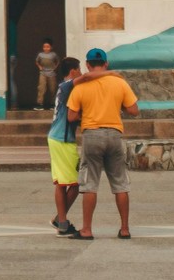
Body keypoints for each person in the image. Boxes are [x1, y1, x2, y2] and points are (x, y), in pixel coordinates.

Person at [64, 48, 138, 240]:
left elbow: (71, 116)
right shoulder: (119, 83)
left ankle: (87, 229)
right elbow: (133, 110)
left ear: (87, 64)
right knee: (120, 183)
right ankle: (124, 229)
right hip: (114, 135)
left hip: (91, 135)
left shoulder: (81, 86)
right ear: (106, 64)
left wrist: (86, 112)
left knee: (90, 184)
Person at [48, 55, 84, 235]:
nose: (82, 72)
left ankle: (60, 220)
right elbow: (85, 79)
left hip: (60, 138)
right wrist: (109, 74)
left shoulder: (66, 88)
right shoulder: (67, 85)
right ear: (73, 71)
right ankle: (61, 221)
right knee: (73, 183)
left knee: (64, 182)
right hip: (61, 139)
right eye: (80, 69)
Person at [36, 41, 60, 110]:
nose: (46, 48)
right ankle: (40, 104)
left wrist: (55, 67)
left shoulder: (53, 55)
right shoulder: (40, 55)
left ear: (51, 47)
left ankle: (53, 104)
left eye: (48, 47)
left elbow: (57, 61)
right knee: (41, 88)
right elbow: (37, 61)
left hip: (51, 74)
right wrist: (39, 67)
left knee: (52, 88)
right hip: (43, 73)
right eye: (44, 47)